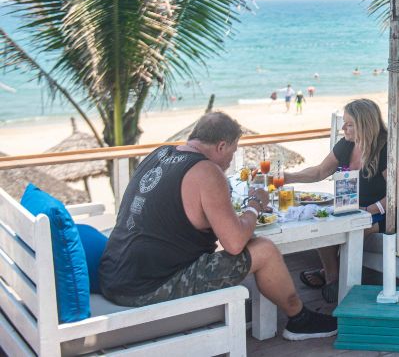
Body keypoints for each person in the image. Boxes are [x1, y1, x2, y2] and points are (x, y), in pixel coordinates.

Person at [98, 112, 336, 340]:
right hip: (148, 288)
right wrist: (254, 205)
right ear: (221, 146)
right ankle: (299, 319)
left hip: (112, 276)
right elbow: (234, 243)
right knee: (264, 250)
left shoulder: (159, 154)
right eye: (232, 154)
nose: (230, 161)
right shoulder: (207, 171)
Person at [285, 99, 399, 302]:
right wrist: (288, 177)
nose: (343, 128)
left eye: (349, 124)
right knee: (323, 225)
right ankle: (333, 279)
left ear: (365, 125)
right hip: (359, 208)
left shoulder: (389, 149)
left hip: (395, 212)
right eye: (344, 123)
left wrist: (367, 210)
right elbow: (320, 171)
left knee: (350, 229)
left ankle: (338, 282)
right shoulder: (347, 145)